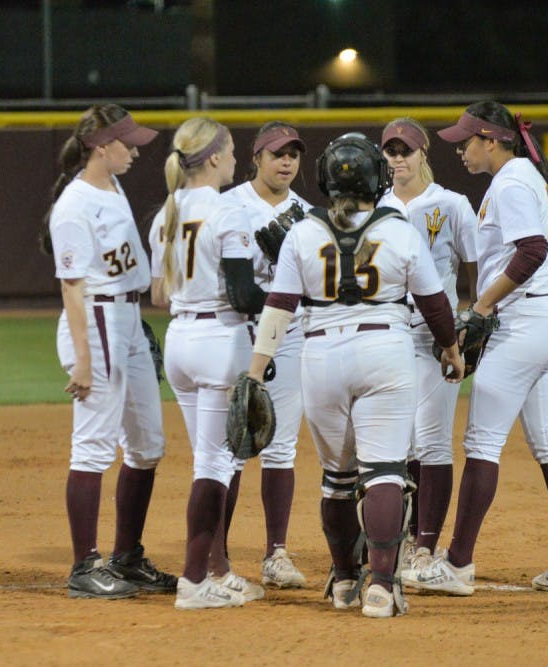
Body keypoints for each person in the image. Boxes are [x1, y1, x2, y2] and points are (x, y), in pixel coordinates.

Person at [241, 133, 465, 618]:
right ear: (377, 177)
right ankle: (382, 587)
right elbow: (433, 302)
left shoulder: (303, 231)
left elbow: (279, 306)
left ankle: (344, 581)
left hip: (320, 355)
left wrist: (256, 371)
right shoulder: (399, 227)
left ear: (324, 178)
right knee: (385, 471)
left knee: (338, 480)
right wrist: (451, 349)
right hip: (385, 347)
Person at [403, 101, 548, 595]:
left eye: (466, 141)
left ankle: (458, 565)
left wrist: (483, 305)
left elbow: (531, 250)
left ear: (492, 139)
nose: (460, 150)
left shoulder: (509, 182)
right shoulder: (529, 176)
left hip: (525, 322)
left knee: (482, 444)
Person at [44, 104, 177, 599]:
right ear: (102, 147)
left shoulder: (113, 186)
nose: (137, 149)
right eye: (128, 142)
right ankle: (84, 566)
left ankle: (127, 558)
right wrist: (82, 359)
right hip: (96, 320)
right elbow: (72, 289)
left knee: (148, 447)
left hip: (126, 319)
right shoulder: (75, 205)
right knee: (94, 445)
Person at [148, 116, 266, 610]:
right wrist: (283, 290)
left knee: (211, 461)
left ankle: (214, 569)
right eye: (233, 150)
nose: (237, 159)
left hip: (179, 338)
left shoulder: (167, 212)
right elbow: (242, 294)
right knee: (216, 463)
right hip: (219, 338)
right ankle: (195, 580)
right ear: (213, 157)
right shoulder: (227, 210)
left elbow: (158, 295)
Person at [375, 118, 477, 572]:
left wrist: (469, 320)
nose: (398, 158)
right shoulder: (374, 207)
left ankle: (424, 547)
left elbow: (476, 264)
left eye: (406, 150)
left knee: (433, 440)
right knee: (403, 442)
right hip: (389, 334)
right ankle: (404, 535)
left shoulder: (451, 204)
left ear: (423, 153)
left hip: (437, 337)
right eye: (391, 151)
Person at [219, 121, 312, 589]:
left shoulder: (309, 214)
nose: (286, 161)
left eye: (293, 153)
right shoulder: (229, 205)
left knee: (282, 449)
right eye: (277, 153)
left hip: (290, 338)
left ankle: (276, 554)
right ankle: (217, 554)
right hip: (237, 334)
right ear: (256, 157)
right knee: (232, 447)